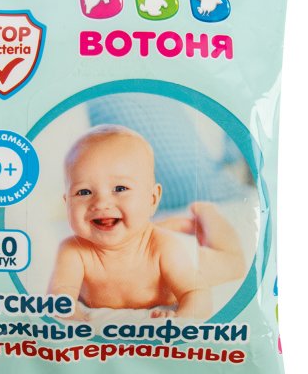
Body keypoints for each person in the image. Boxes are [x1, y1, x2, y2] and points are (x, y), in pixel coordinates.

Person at [48, 124, 245, 321]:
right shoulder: (72, 251)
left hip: (191, 262)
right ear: (67, 203)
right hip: (147, 235)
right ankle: (171, 224)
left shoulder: (164, 247)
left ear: (152, 199)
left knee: (233, 264)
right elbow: (59, 298)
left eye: (120, 188)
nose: (100, 203)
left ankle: (207, 213)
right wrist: (76, 323)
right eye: (83, 192)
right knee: (138, 228)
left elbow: (196, 293)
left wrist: (180, 319)